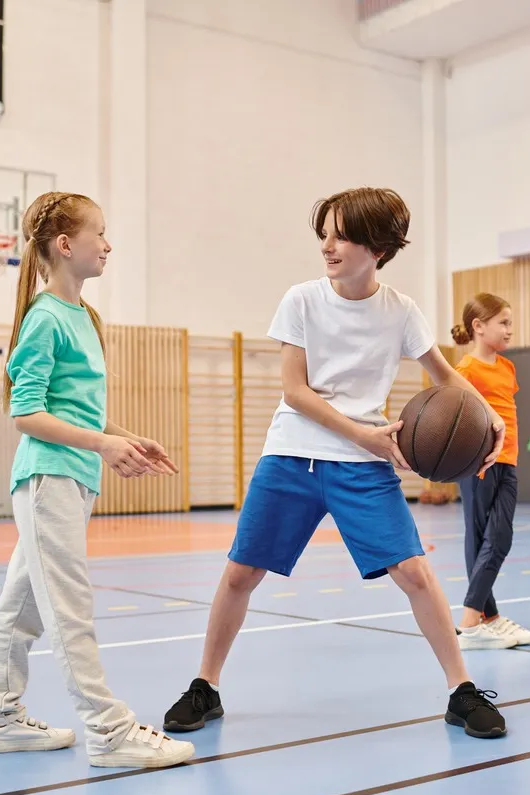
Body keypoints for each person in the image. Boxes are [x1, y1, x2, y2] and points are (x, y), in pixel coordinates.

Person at [163, 187, 510, 739]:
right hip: (294, 454)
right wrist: (365, 436)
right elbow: (295, 392)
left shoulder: (401, 311)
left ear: (378, 247)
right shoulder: (301, 300)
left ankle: (460, 690)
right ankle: (206, 685)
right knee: (241, 573)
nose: (327, 246)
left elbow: (446, 376)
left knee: (415, 573)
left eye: (341, 235)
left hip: (362, 466)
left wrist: (488, 416)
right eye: (323, 234)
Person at [0, 191, 196, 769]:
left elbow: (75, 410)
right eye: (100, 232)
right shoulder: (45, 317)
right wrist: (103, 444)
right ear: (66, 245)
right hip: (49, 479)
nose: (109, 243)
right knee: (69, 609)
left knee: (21, 606)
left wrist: (124, 435)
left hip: (69, 478)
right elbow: (24, 413)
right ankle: (108, 729)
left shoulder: (81, 316)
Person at [450, 293, 530, 650]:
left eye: (510, 323)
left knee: (498, 536)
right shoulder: (465, 371)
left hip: (509, 459)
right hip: (479, 463)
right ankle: (474, 619)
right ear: (478, 326)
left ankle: (487, 618)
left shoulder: (507, 367)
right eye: (503, 322)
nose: (509, 330)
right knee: (485, 536)